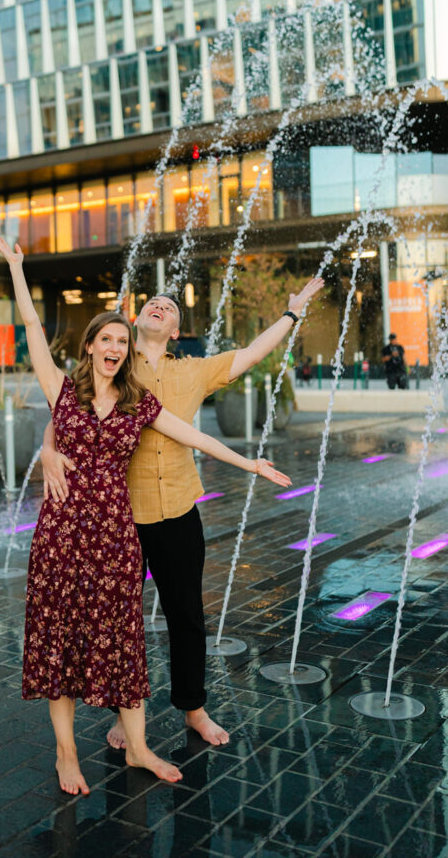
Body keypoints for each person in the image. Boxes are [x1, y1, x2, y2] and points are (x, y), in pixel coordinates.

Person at [0, 234, 293, 796]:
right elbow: (33, 330)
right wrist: (16, 267)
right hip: (61, 535)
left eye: (118, 340)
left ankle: (139, 745)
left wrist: (249, 463)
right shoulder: (62, 391)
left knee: (122, 638)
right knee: (59, 638)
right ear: (91, 347)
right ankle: (65, 754)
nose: (113, 346)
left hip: (115, 533)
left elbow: (194, 437)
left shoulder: (140, 403)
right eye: (105, 338)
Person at [42, 278, 324, 751]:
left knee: (187, 617)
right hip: (117, 517)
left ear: (175, 331)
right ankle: (124, 716)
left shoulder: (195, 371)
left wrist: (291, 314)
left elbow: (253, 353)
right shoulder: (110, 360)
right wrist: (47, 449)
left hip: (176, 509)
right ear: (135, 322)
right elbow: (64, 410)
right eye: (153, 302)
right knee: (118, 622)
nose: (160, 306)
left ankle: (194, 709)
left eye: (169, 307)